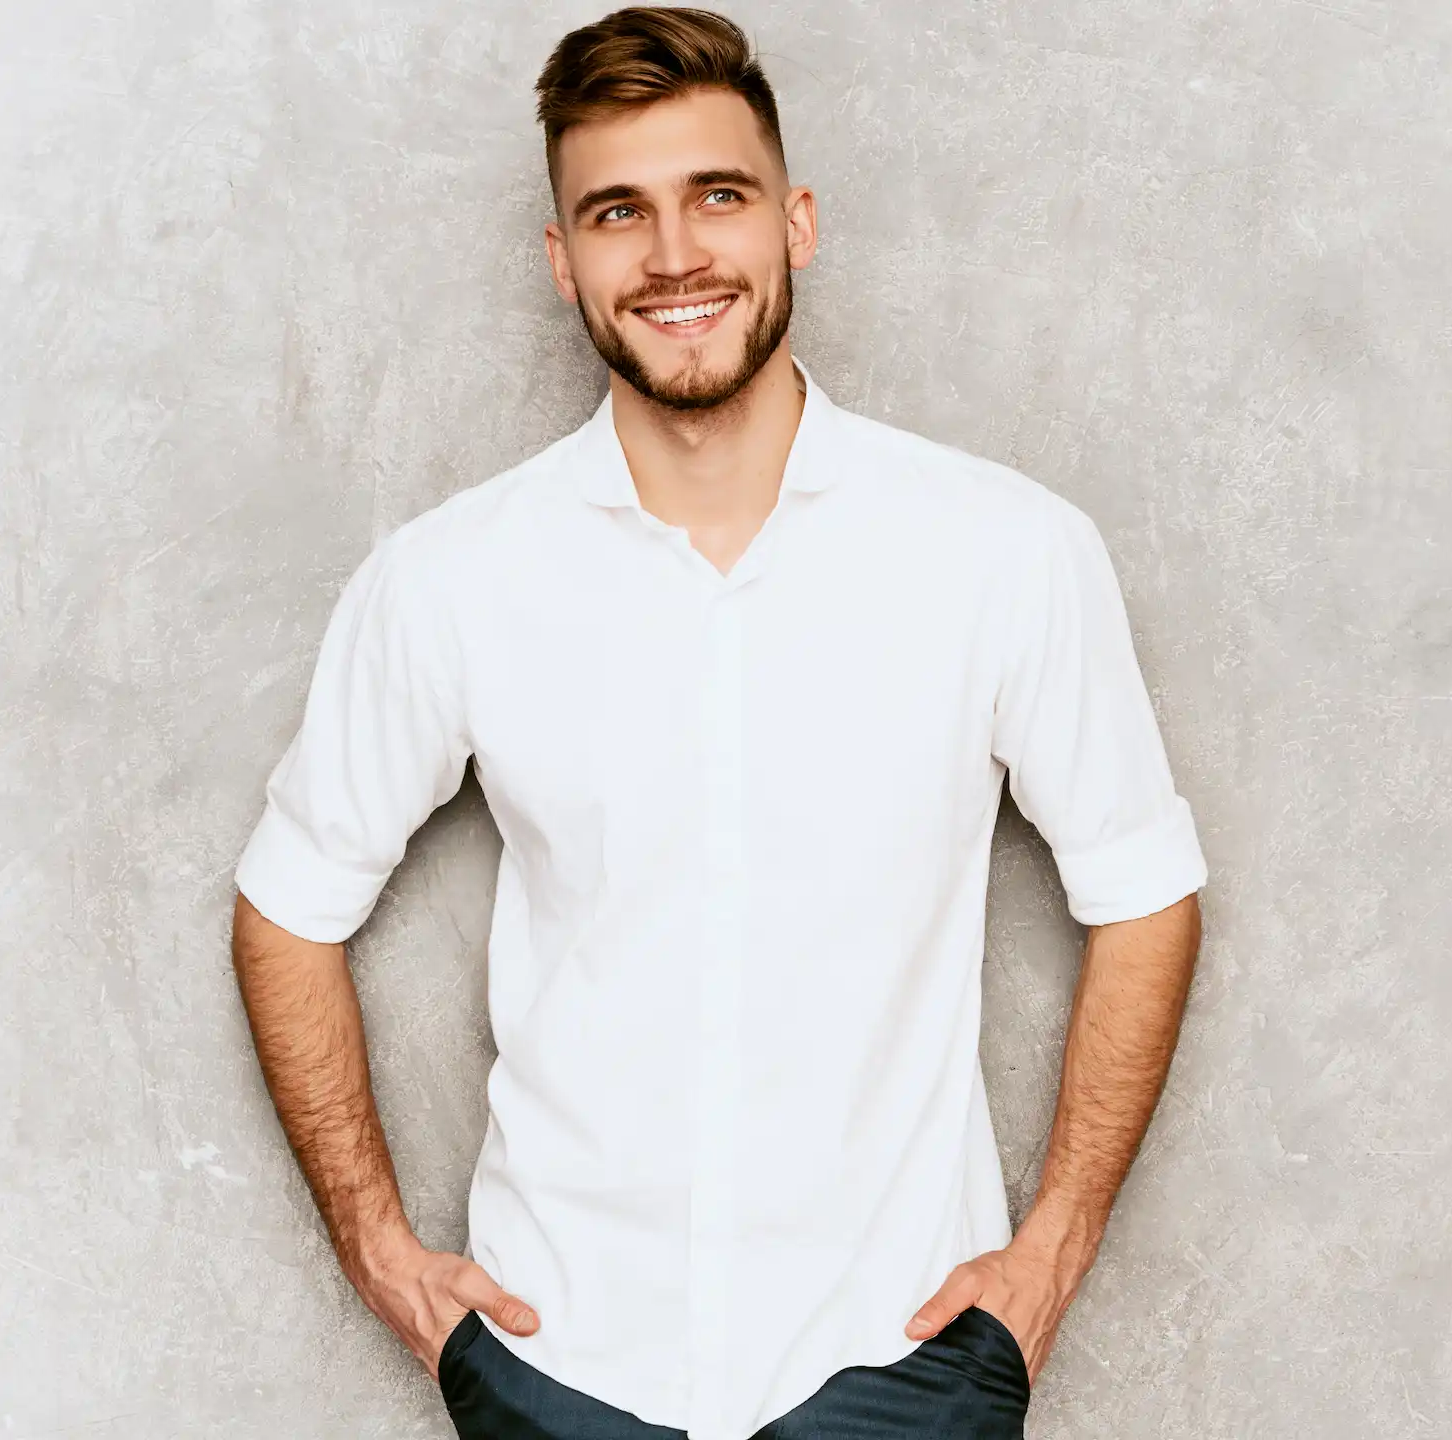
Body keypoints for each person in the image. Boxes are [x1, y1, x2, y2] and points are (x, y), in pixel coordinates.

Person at [228, 8, 1207, 1438]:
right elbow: (286, 908)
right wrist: (381, 1255)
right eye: (618, 212)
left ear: (795, 224)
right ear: (561, 259)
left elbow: (1146, 890)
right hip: (564, 1365)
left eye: (719, 197)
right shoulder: (454, 580)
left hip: (903, 1363)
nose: (674, 255)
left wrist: (1049, 1256)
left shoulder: (1005, 553)